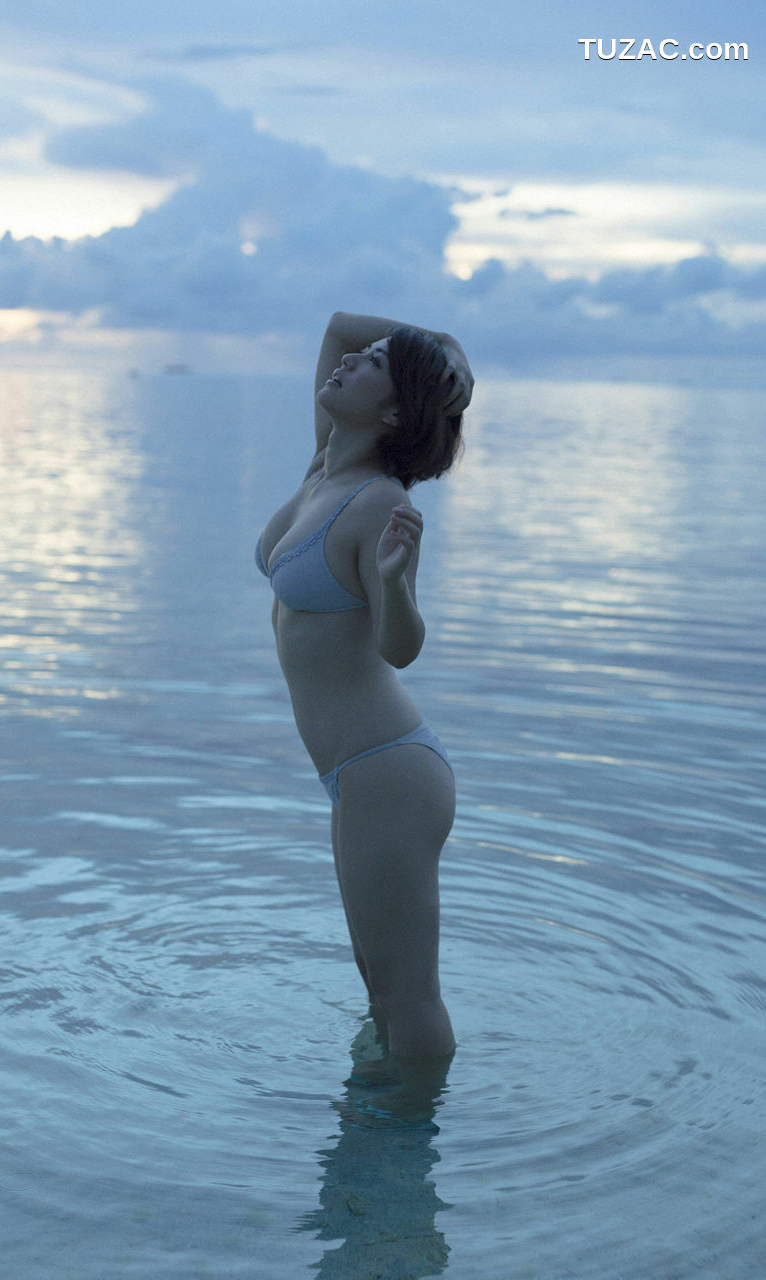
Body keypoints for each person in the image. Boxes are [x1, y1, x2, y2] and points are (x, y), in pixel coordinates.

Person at [255, 310, 473, 1105]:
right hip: (357, 773)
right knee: (377, 985)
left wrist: (391, 584)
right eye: (361, 358)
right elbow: (341, 325)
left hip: (389, 772)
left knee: (405, 995)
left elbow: (400, 647)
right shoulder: (325, 467)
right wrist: (449, 350)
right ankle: (377, 1135)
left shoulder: (379, 504)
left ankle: (412, 1146)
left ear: (393, 413)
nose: (349, 361)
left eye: (374, 365)